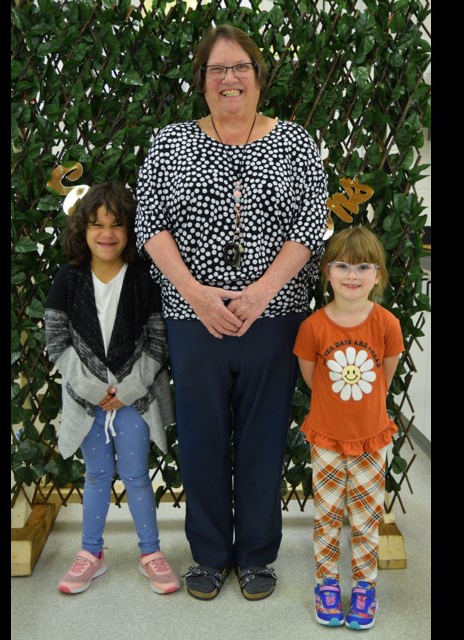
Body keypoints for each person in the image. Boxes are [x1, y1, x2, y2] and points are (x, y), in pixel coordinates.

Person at [134, 24, 328, 601]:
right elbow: (150, 226)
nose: (229, 79)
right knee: (201, 438)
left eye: (239, 67)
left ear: (259, 77)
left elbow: (309, 228)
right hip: (195, 321)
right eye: (216, 69)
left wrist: (263, 291)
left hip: (273, 318)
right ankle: (210, 555)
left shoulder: (295, 143)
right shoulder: (170, 143)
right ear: (202, 81)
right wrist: (197, 294)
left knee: (265, 437)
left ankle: (258, 556)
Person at [44, 182, 180, 595]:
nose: (107, 233)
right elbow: (56, 342)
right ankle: (91, 554)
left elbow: (158, 341)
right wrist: (90, 387)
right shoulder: (68, 279)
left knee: (138, 476)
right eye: (97, 224)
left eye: (118, 225)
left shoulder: (144, 278)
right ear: (82, 230)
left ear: (132, 230)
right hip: (87, 403)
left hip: (135, 401)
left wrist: (128, 387)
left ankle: (151, 553)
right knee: (98, 474)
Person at [292, 226, 405, 629]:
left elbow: (386, 376)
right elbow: (311, 377)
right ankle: (325, 582)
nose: (352, 275)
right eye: (342, 265)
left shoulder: (388, 324)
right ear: (326, 271)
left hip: (372, 439)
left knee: (365, 517)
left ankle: (364, 587)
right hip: (325, 438)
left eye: (363, 266)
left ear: (378, 275)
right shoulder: (313, 327)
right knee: (326, 515)